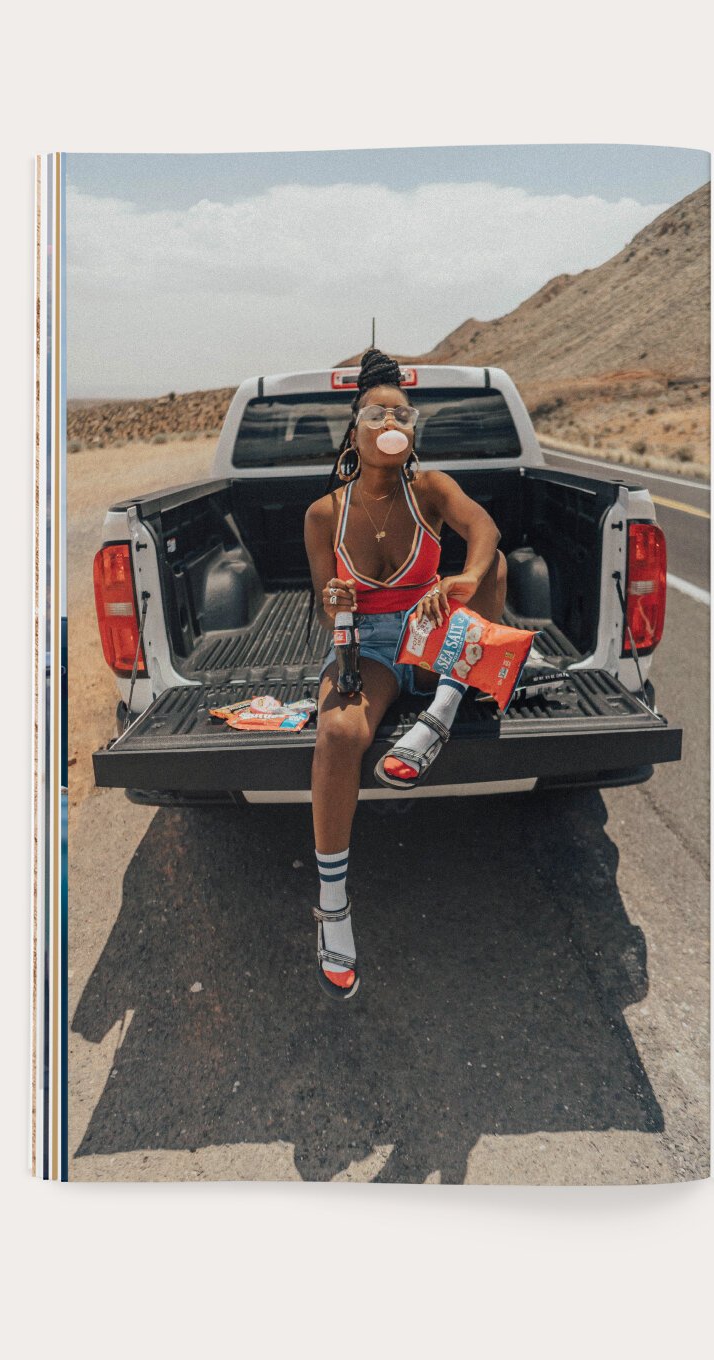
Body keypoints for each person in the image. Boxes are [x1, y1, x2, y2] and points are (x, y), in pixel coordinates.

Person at [303, 348, 508, 1000]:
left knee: (496, 567)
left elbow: (483, 527)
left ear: (413, 432)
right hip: (370, 647)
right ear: (355, 432)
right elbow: (326, 606)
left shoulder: (432, 489)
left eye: (403, 416)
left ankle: (440, 715)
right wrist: (337, 600)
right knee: (339, 734)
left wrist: (463, 578)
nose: (391, 424)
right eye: (377, 415)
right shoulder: (324, 514)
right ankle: (333, 907)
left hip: (437, 635)